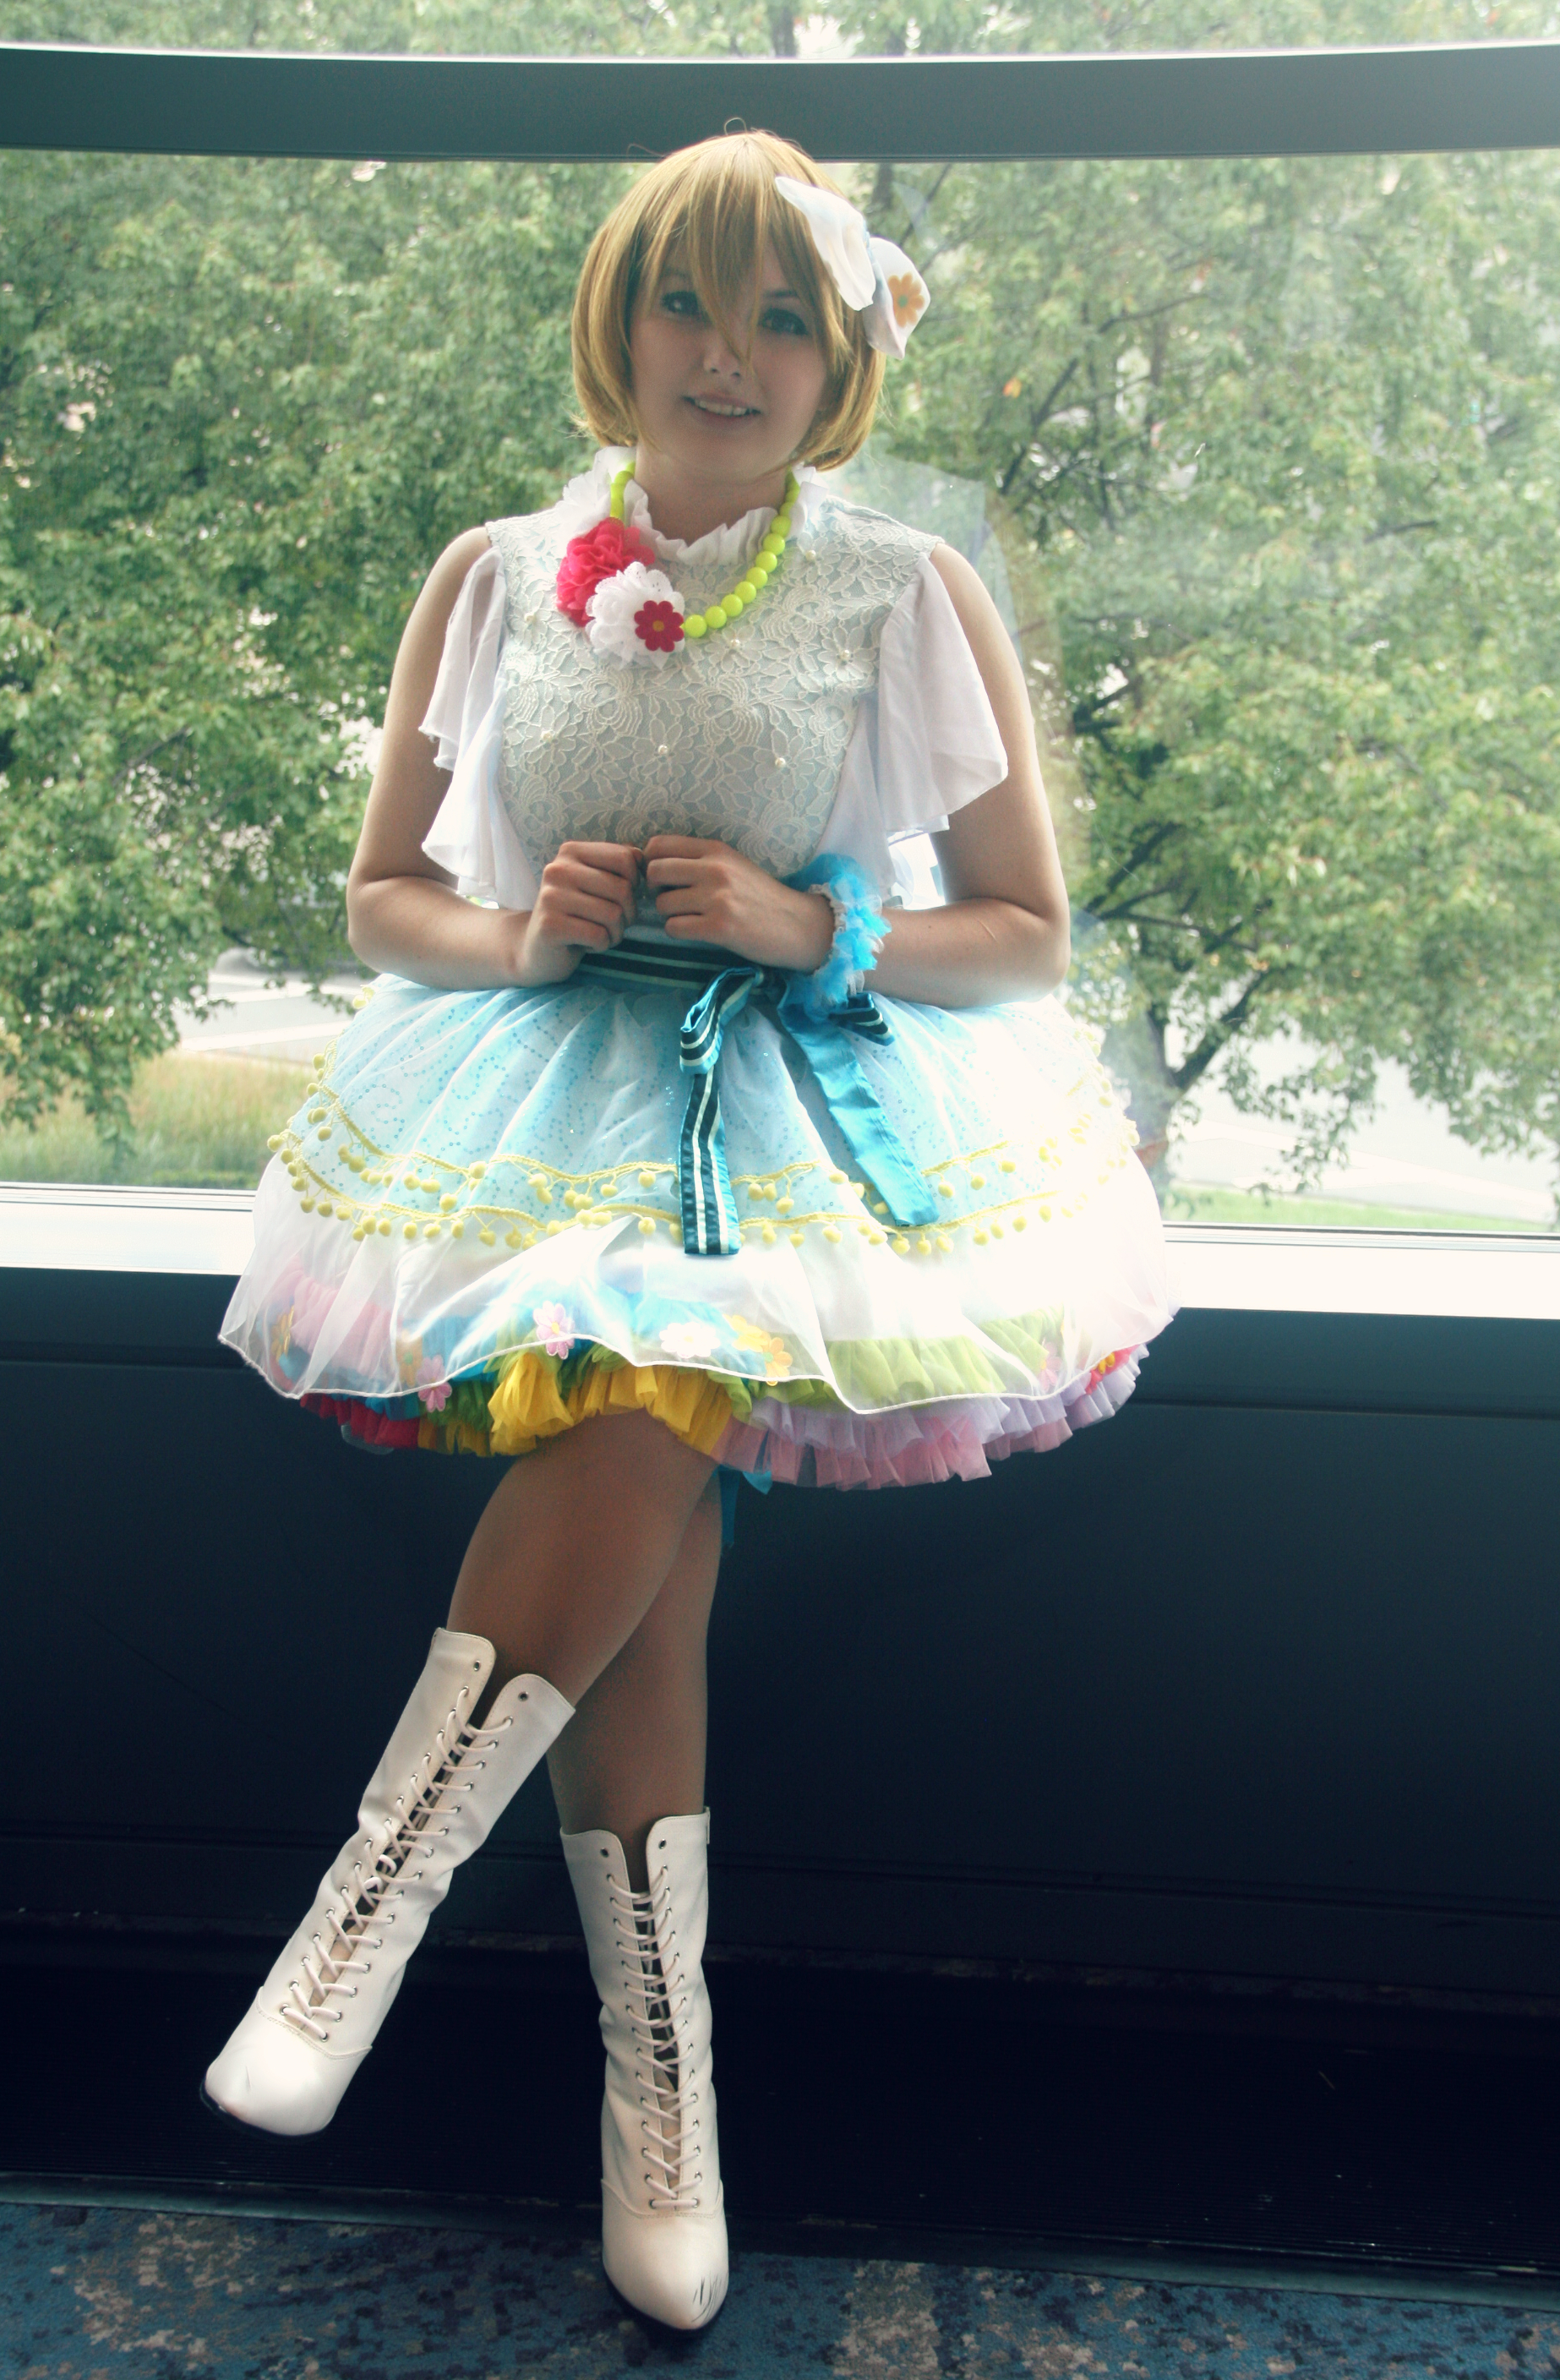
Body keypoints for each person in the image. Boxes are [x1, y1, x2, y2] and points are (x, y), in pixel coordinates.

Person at [205, 128, 1171, 2331]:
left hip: (799, 1094)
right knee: (646, 1479)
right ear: (618, 319)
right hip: (541, 1086)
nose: (726, 355)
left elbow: (1023, 934)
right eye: (686, 302)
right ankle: (663, 2092)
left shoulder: (901, 587)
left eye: (781, 318)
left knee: (641, 1413)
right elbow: (384, 900)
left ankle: (369, 1914)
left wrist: (810, 923)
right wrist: (517, 937)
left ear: (839, 359)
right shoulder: (491, 571)